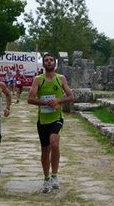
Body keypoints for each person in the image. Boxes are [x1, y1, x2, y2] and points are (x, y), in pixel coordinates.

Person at [27, 53, 74, 193]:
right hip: (43, 120)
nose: (49, 62)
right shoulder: (38, 80)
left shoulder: (61, 79)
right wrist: (45, 103)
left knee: (54, 143)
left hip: (56, 118)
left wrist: (58, 101)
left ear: (55, 63)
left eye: (51, 60)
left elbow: (71, 96)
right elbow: (30, 99)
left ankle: (55, 175)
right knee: (45, 150)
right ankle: (46, 178)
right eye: (46, 60)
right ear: (43, 64)